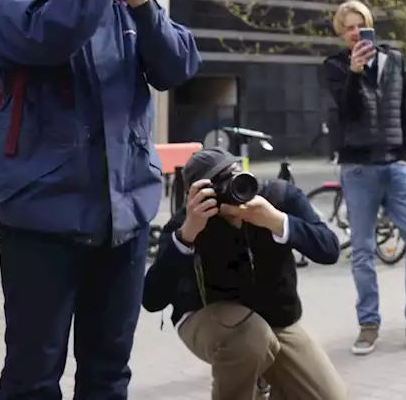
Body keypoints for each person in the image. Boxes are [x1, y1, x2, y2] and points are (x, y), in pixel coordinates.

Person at [0, 0, 202, 399]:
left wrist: (144, 3)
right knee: (33, 375)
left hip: (123, 222)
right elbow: (47, 38)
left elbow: (177, 69)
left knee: (109, 372)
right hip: (42, 218)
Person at [142, 148, 346, 400]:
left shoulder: (276, 198)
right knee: (251, 340)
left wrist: (277, 221)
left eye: (236, 178)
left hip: (275, 320)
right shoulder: (191, 220)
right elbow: (152, 299)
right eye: (221, 187)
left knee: (329, 396)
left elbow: (329, 250)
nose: (234, 192)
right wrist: (187, 236)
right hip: (206, 316)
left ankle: (265, 381)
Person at [322, 0, 406, 355]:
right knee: (364, 251)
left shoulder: (395, 61)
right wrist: (354, 73)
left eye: (360, 25)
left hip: (396, 166)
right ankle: (368, 324)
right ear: (341, 34)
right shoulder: (335, 67)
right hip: (358, 168)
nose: (355, 32)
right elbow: (346, 111)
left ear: (369, 25)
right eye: (347, 28)